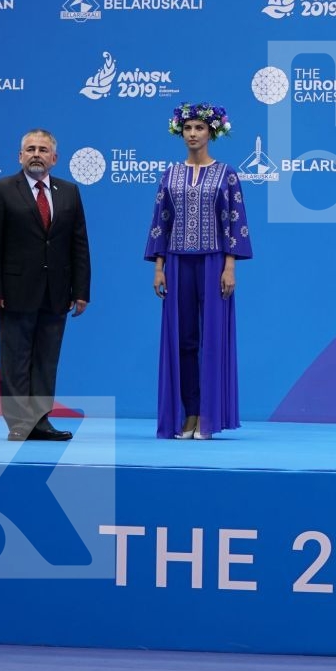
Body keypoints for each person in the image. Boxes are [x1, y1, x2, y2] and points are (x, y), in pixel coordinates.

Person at [145, 103, 252, 439]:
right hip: (177, 262)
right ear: (180, 132)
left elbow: (235, 220)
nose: (193, 134)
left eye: (199, 129)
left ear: (212, 133)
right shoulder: (170, 174)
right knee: (184, 340)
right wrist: (159, 267)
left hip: (214, 263)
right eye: (188, 128)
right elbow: (161, 221)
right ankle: (188, 414)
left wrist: (230, 265)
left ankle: (209, 418)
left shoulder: (226, 174)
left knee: (213, 339)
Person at [0, 128, 91, 441]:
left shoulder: (69, 192)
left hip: (57, 291)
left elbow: (79, 243)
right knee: (15, 359)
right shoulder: (1, 189)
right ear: (20, 156)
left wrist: (81, 290)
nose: (36, 154)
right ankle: (19, 423)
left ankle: (40, 421)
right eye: (30, 149)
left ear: (54, 158)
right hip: (13, 292)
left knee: (46, 360)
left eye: (43, 150)